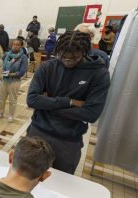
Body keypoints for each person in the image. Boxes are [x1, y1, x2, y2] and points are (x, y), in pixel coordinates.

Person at [26, 31, 110, 174]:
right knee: (27, 176)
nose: (67, 61)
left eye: (74, 57)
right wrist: (70, 101)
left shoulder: (99, 74)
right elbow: (32, 99)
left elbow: (91, 114)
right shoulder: (47, 67)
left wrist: (47, 104)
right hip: (37, 132)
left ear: (84, 52)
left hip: (68, 142)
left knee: (61, 185)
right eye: (62, 56)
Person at [0, 39, 28, 122]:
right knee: (2, 98)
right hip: (4, 80)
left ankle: (11, 115)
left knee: (12, 99)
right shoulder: (7, 54)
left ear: (21, 46)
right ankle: (0, 112)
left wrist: (9, 74)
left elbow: (22, 72)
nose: (15, 46)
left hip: (14, 81)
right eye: (14, 44)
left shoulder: (23, 57)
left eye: (17, 44)